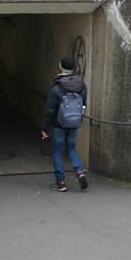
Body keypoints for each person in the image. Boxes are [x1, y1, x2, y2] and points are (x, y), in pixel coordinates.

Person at [41, 57, 89, 192]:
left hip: (59, 124)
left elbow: (49, 110)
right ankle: (80, 172)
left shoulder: (56, 87)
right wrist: (78, 120)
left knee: (57, 150)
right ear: (73, 68)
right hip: (74, 123)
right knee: (71, 148)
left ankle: (61, 182)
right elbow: (84, 105)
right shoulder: (81, 84)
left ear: (60, 66)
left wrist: (45, 128)